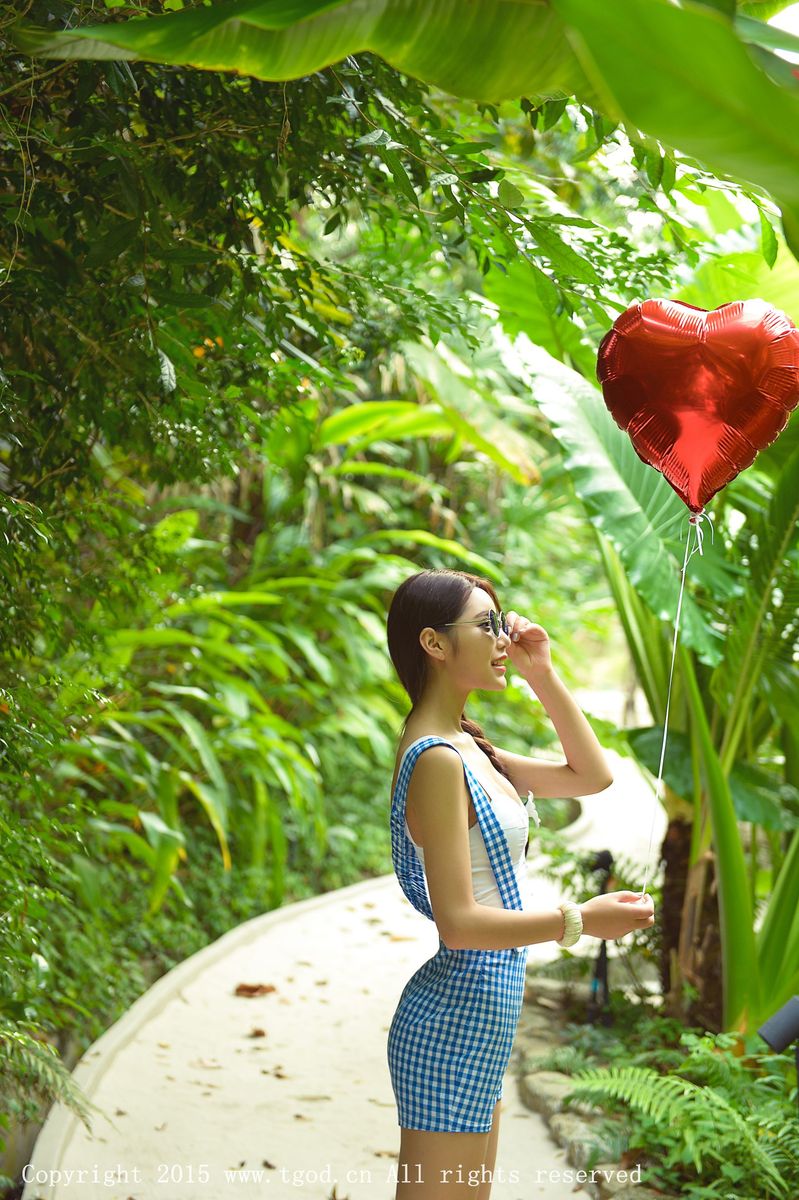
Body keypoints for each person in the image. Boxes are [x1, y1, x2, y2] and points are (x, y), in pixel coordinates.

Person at [385, 568, 655, 1198]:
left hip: (480, 1016)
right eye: (487, 625)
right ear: (434, 644)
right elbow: (460, 923)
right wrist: (581, 920)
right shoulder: (436, 760)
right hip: (451, 1021)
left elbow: (592, 776)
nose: (502, 637)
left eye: (500, 622)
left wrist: (543, 676)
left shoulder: (469, 749)